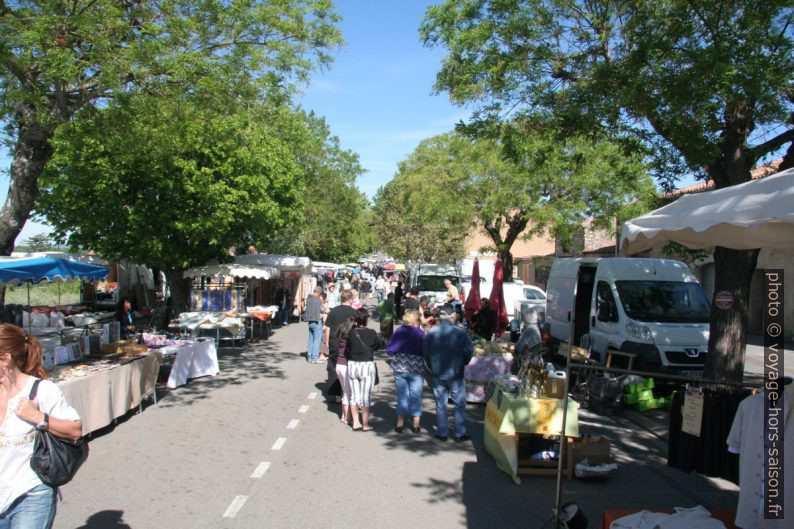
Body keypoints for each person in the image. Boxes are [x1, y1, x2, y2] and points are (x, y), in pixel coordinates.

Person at [0, 323, 83, 529]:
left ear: (5, 358)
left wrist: (38, 417)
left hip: (31, 494)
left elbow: (75, 429)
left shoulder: (41, 390)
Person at [423, 305, 473, 442]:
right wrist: (464, 362)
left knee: (441, 403)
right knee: (459, 403)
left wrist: (431, 367)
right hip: (455, 372)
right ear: (452, 317)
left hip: (438, 372)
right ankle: (460, 433)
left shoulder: (432, 332)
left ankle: (442, 432)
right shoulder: (461, 333)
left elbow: (425, 352)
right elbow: (469, 351)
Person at [387, 311, 425, 434]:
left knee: (402, 396)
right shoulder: (420, 333)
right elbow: (425, 349)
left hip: (400, 367)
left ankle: (400, 424)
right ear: (415, 321)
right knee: (416, 395)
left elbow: (390, 349)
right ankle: (416, 425)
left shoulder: (399, 331)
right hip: (416, 368)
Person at [346, 308, 383, 431]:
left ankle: (356, 422)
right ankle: (365, 423)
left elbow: (347, 348)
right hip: (366, 365)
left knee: (354, 396)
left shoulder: (350, 333)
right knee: (365, 396)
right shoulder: (372, 332)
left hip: (352, 365)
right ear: (366, 320)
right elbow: (378, 345)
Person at [324, 290, 357, 402]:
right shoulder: (354, 312)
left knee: (334, 366)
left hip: (334, 341)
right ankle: (347, 392)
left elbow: (327, 328)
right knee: (347, 366)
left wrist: (326, 342)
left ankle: (336, 394)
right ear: (351, 299)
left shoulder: (333, 311)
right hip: (349, 343)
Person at [332, 318, 355, 425]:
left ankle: (344, 415)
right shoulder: (350, 339)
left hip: (339, 365)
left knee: (344, 391)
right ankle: (346, 417)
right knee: (348, 393)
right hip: (346, 366)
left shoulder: (341, 336)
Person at [303, 287, 324, 364]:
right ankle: (315, 357)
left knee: (311, 340)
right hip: (316, 321)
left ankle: (309, 357)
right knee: (317, 340)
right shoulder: (317, 300)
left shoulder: (309, 299)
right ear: (318, 293)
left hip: (310, 321)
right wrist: (322, 303)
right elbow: (322, 310)